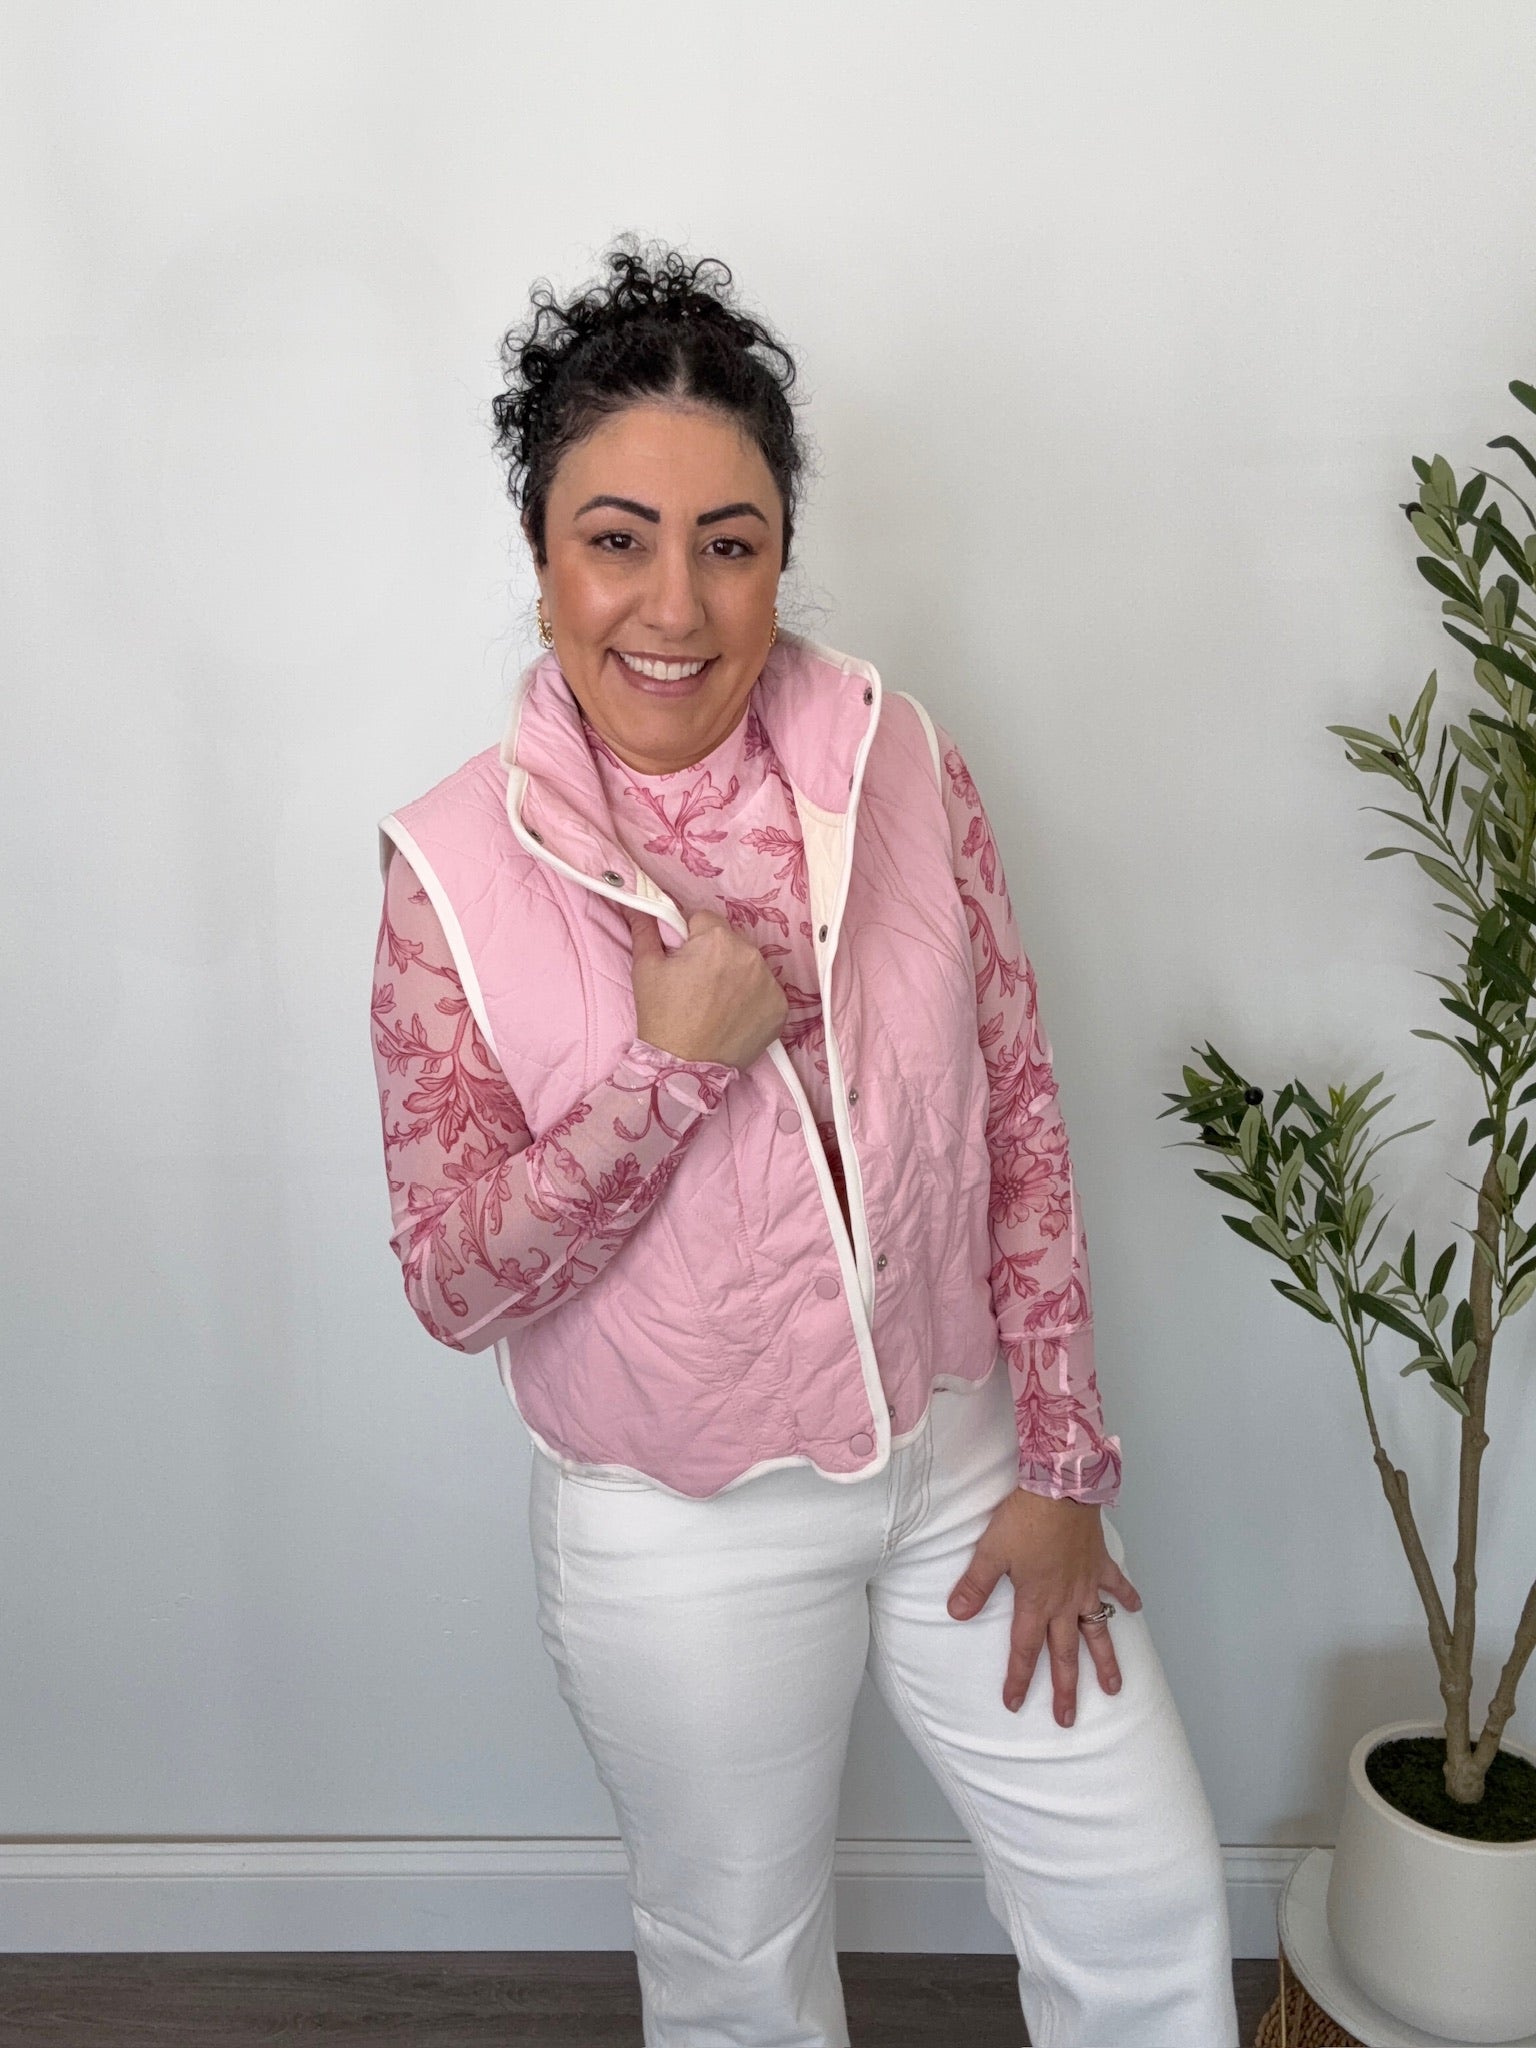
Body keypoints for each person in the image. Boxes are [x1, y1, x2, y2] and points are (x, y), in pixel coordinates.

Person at [369, 237, 1238, 2048]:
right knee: (741, 1976)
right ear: (540, 556)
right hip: (681, 1527)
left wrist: (1064, 1459)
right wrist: (663, 1076)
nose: (673, 604)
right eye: (617, 539)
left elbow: (1016, 1102)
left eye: (730, 542)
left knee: (1145, 1896)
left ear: (779, 553)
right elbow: (453, 1283)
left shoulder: (898, 760)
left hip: (966, 1461)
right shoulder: (447, 867)